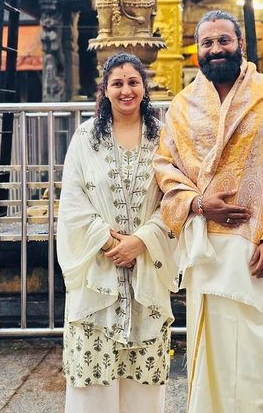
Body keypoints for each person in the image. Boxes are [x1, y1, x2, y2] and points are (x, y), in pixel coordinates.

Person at [153, 10, 263, 412]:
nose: (215, 49)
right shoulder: (182, 107)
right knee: (210, 354)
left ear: (241, 45)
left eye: (223, 40)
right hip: (205, 250)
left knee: (261, 353)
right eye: (207, 43)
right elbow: (164, 166)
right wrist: (196, 203)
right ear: (197, 53)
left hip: (257, 249)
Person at [58, 52, 178, 413]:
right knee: (94, 375)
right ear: (105, 91)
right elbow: (72, 201)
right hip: (99, 267)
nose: (126, 90)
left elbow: (174, 199)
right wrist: (110, 241)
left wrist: (142, 241)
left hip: (147, 267)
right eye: (117, 83)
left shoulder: (165, 139)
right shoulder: (84, 138)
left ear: (144, 88)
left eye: (133, 82)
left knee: (143, 375)